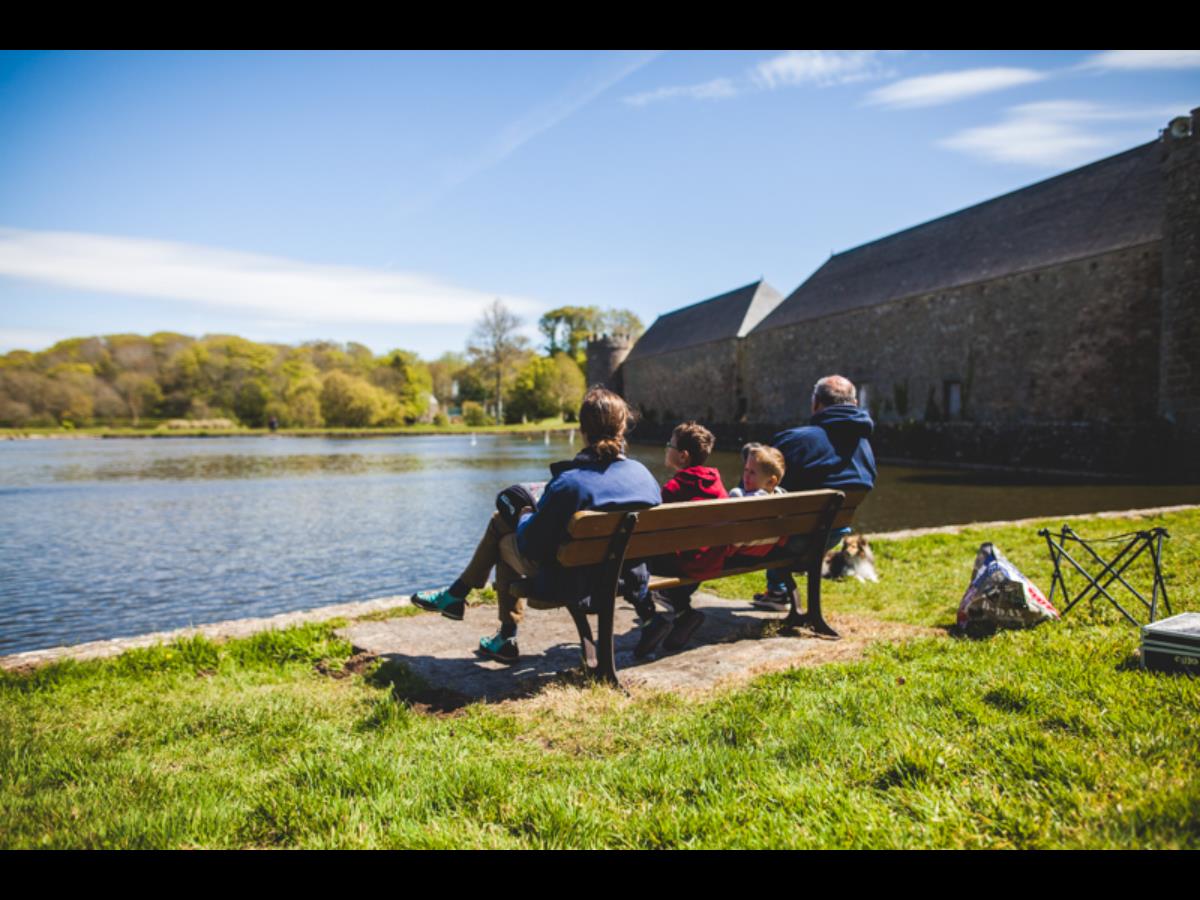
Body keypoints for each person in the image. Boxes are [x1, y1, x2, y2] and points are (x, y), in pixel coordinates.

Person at [411, 387, 661, 664]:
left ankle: (494, 626)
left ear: (582, 429)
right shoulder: (643, 475)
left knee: (501, 530)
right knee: (506, 534)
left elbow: (531, 545)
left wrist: (526, 513)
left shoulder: (570, 483)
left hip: (572, 580)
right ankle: (465, 602)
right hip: (628, 575)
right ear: (623, 427)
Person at [755, 374, 876, 610]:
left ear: (816, 404)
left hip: (793, 539)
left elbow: (755, 491)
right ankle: (778, 590)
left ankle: (777, 591)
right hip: (831, 535)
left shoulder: (794, 441)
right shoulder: (865, 446)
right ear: (855, 404)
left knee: (775, 513)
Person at [634, 421, 729, 658]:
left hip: (687, 562)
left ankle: (654, 619)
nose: (666, 449)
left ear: (683, 456)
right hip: (712, 559)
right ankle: (683, 614)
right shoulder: (717, 484)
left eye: (670, 445)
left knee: (637, 556)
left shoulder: (674, 488)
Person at [727, 443, 788, 560]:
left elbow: (735, 541)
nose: (746, 476)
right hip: (765, 554)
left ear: (771, 481)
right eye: (746, 470)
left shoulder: (739, 496)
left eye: (752, 473)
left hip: (739, 555)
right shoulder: (782, 499)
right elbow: (782, 540)